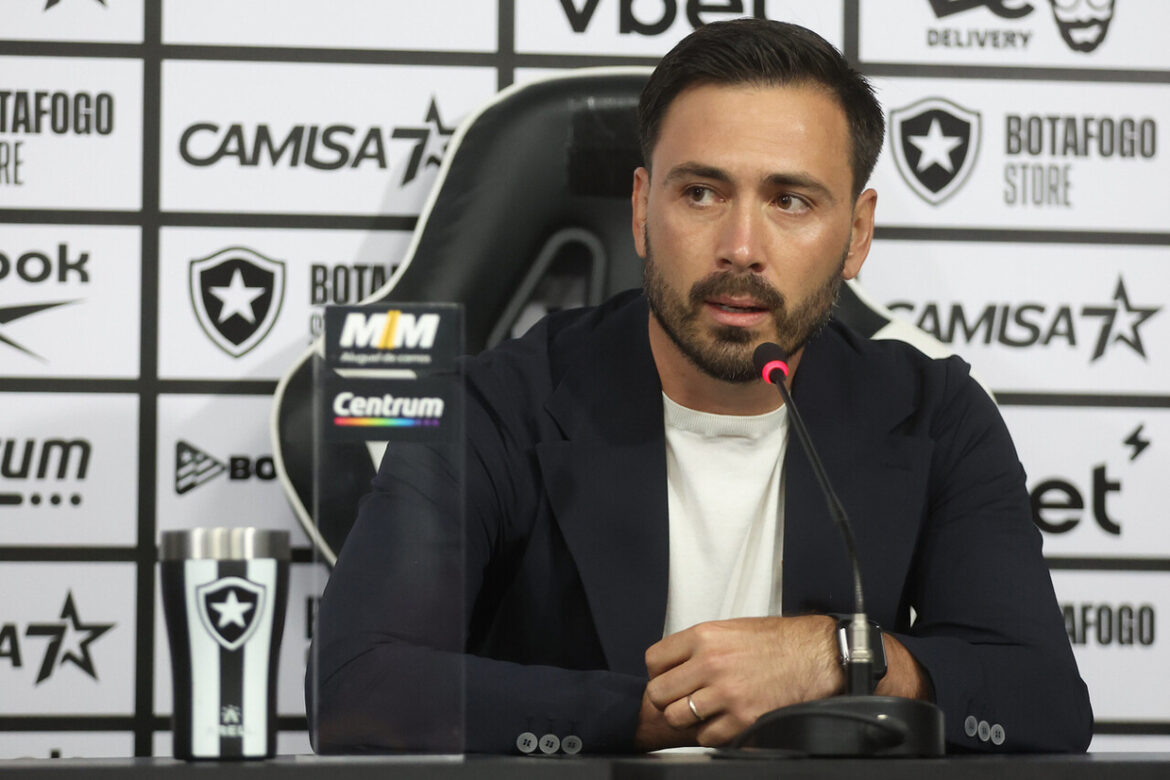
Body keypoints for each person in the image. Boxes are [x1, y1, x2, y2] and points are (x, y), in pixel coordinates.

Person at [309, 19, 1092, 755]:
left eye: (790, 200)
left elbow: (1044, 701)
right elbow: (355, 689)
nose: (741, 247)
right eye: (701, 193)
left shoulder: (932, 412)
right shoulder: (490, 406)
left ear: (856, 236)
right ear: (642, 210)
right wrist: (661, 711)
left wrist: (842, 658)